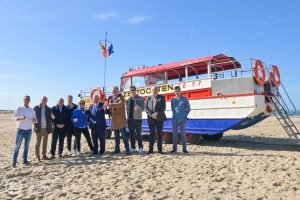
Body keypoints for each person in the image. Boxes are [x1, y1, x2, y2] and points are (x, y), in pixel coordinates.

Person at [12, 95, 37, 167]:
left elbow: (35, 120)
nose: (26, 100)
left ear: (29, 101)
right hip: (20, 130)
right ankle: (14, 161)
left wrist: (34, 120)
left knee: (26, 146)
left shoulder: (32, 110)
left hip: (28, 130)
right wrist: (20, 118)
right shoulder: (19, 108)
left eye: (28, 99)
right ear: (23, 100)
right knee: (17, 146)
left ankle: (24, 160)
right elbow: (13, 118)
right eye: (25, 99)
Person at [107, 86, 130, 155]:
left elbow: (120, 104)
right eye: (113, 91)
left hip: (120, 119)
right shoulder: (110, 98)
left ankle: (127, 149)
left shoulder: (121, 97)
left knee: (124, 136)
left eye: (115, 90)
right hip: (114, 120)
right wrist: (109, 113)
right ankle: (117, 149)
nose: (114, 92)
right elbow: (109, 109)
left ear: (118, 91)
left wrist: (110, 105)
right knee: (116, 136)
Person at [145, 86, 167, 154]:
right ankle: (150, 149)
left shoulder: (162, 97)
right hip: (151, 118)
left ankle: (159, 149)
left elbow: (163, 108)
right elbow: (146, 108)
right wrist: (151, 115)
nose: (154, 91)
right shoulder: (148, 98)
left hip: (159, 118)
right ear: (151, 90)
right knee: (151, 134)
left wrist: (156, 113)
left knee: (159, 134)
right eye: (153, 90)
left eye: (156, 89)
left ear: (158, 90)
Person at [170, 86, 191, 154]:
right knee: (174, 135)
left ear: (180, 91)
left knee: (183, 134)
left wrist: (185, 115)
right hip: (174, 120)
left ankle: (184, 149)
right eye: (175, 91)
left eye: (178, 91)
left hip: (182, 120)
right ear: (174, 92)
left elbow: (188, 108)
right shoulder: (172, 100)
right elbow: (173, 109)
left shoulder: (184, 99)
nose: (177, 92)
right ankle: (174, 149)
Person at [125, 86, 144, 154]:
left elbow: (143, 108)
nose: (132, 91)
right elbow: (126, 109)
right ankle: (133, 147)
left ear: (135, 90)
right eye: (131, 90)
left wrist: (139, 108)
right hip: (130, 119)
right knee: (131, 134)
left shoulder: (140, 98)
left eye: (133, 90)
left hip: (138, 119)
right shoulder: (128, 100)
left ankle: (140, 147)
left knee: (139, 134)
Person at [33, 96, 52, 161]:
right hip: (39, 128)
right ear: (40, 100)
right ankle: (37, 157)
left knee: (45, 143)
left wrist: (52, 117)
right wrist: (34, 123)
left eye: (45, 100)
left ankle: (44, 156)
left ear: (47, 101)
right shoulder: (36, 108)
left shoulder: (49, 109)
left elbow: (50, 118)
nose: (44, 101)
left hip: (46, 128)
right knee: (38, 143)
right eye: (43, 100)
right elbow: (32, 117)